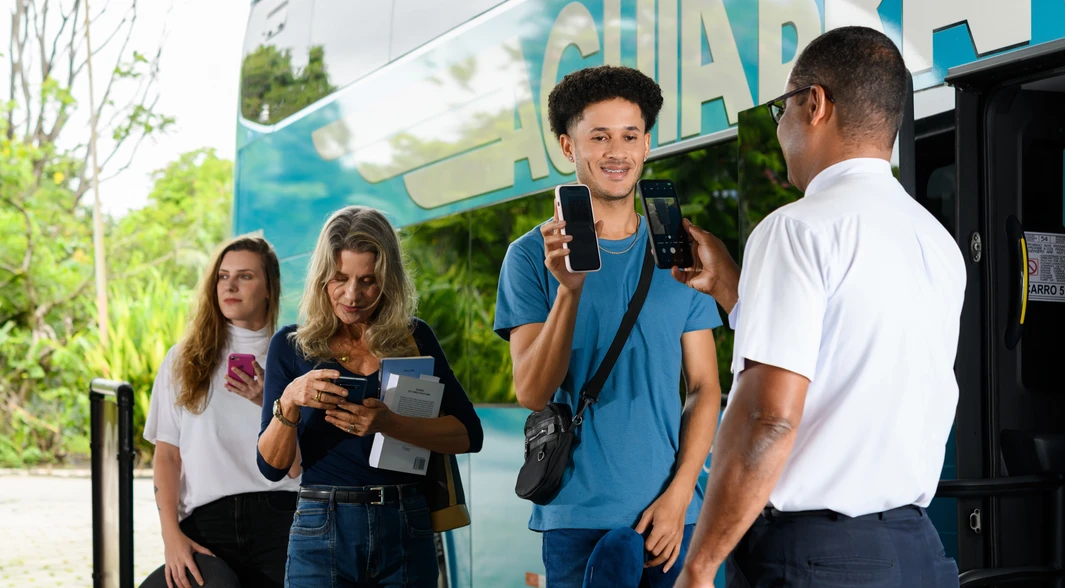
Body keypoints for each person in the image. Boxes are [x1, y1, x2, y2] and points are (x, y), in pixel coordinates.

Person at [669, 27, 967, 588]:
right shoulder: (936, 242)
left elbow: (769, 418)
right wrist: (735, 292)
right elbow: (848, 357)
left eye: (783, 107)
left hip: (815, 558)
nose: (780, 126)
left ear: (814, 104)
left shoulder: (795, 229)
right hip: (918, 555)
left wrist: (699, 566)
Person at [494, 65, 723, 587]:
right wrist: (568, 291)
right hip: (576, 518)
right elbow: (532, 390)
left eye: (630, 135)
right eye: (599, 136)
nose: (616, 151)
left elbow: (706, 386)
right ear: (568, 147)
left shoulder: (678, 253)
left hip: (673, 518)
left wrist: (682, 492)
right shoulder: (530, 258)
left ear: (645, 146)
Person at [256, 205, 484, 587]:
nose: (352, 294)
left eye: (368, 280)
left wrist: (390, 423)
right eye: (339, 278)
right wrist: (292, 399)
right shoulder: (292, 345)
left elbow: (469, 434)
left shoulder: (414, 338)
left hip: (405, 521)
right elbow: (271, 467)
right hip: (321, 523)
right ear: (321, 279)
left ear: (388, 280)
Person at [141, 236, 301, 588]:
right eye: (222, 276)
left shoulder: (295, 358)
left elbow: (299, 466)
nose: (229, 285)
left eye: (245, 276)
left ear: (269, 289)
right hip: (207, 526)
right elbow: (167, 456)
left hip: (282, 521)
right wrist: (171, 537)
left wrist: (269, 405)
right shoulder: (183, 360)